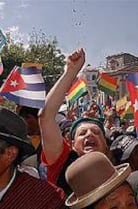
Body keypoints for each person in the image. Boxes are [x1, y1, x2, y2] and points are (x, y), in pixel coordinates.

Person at [39, 48, 110, 194]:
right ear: (71, 145)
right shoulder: (62, 164)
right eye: (82, 133)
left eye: (97, 132)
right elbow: (46, 116)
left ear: (106, 145)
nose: (90, 134)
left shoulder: (118, 173)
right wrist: (71, 72)